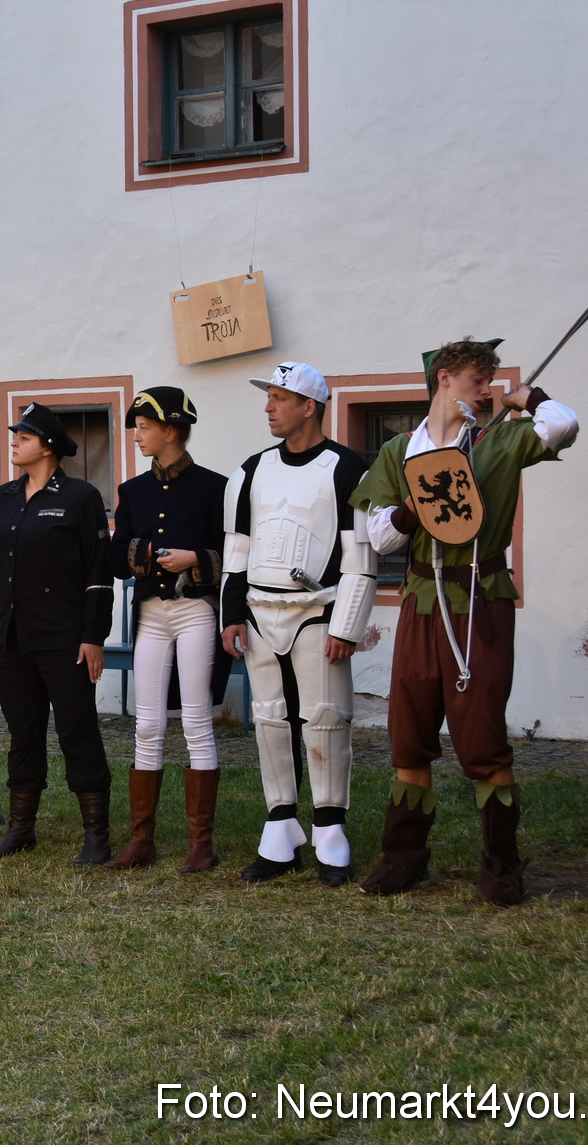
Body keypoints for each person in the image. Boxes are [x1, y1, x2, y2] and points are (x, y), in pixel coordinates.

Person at [350, 338, 577, 906]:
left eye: (494, 383)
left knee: (480, 737)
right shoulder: (401, 449)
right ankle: (404, 858)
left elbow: (562, 426)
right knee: (409, 734)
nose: (488, 391)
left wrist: (532, 398)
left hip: (479, 599)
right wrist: (416, 503)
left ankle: (502, 867)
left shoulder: (497, 441)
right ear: (445, 378)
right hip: (420, 600)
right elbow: (377, 536)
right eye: (480, 381)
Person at [220, 363, 376, 886]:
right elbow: (237, 549)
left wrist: (347, 624)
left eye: (280, 398)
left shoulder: (349, 468)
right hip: (261, 614)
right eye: (269, 396)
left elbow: (361, 554)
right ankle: (280, 826)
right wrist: (231, 613)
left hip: (319, 612)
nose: (269, 407)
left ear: (310, 405)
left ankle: (331, 830)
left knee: (326, 719)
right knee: (269, 719)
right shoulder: (251, 469)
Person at [0, 403, 116, 865]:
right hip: (11, 639)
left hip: (65, 637)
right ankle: (21, 829)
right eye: (14, 434)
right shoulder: (3, 498)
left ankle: (96, 834)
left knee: (78, 731)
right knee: (23, 733)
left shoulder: (81, 497)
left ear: (49, 446)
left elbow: (100, 573)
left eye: (24, 436)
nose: (14, 441)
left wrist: (94, 635)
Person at [106, 387, 229, 873]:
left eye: (144, 426)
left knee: (197, 721)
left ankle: (202, 844)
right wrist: (144, 553)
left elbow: (236, 554)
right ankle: (143, 839)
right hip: (152, 614)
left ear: (171, 430)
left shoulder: (214, 487)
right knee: (148, 723)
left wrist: (196, 559)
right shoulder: (132, 491)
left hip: (196, 608)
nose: (137, 434)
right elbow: (116, 557)